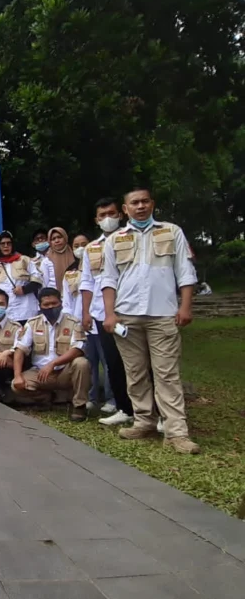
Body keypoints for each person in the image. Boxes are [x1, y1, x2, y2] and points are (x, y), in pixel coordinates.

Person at [102, 187, 200, 454]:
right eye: (134, 202)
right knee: (135, 373)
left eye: (145, 201)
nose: (140, 206)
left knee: (167, 374)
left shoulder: (171, 231)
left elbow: (185, 271)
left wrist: (185, 307)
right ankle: (144, 421)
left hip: (163, 314)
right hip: (127, 316)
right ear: (125, 209)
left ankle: (176, 432)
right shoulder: (114, 240)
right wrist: (110, 314)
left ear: (152, 204)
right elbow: (108, 279)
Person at [81, 197, 136, 426]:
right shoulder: (92, 248)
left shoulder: (133, 239)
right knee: (112, 363)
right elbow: (86, 282)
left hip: (130, 310)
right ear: (96, 220)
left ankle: (152, 410)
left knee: (138, 363)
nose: (107, 219)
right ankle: (125, 408)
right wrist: (86, 313)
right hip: (102, 315)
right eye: (102, 215)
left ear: (121, 214)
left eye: (111, 213)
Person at [12, 288, 91, 421]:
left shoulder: (74, 322)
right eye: (46, 305)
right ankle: (45, 398)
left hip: (65, 372)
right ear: (40, 306)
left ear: (61, 303)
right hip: (41, 373)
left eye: (54, 303)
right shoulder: (32, 323)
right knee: (16, 385)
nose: (51, 307)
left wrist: (53, 363)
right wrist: (17, 375)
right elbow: (20, 350)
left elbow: (78, 349)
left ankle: (79, 406)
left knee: (82, 363)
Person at [64, 233, 116, 414]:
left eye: (84, 244)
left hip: (100, 320)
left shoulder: (101, 268)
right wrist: (71, 323)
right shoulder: (70, 274)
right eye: (76, 245)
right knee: (89, 362)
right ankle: (91, 398)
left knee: (107, 361)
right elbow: (67, 303)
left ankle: (111, 399)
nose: (81, 248)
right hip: (79, 325)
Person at [0, 232, 41, 324]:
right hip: (6, 312)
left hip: (26, 310)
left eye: (9, 243)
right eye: (2, 244)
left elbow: (38, 280)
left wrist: (24, 289)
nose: (6, 246)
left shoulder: (24, 259)